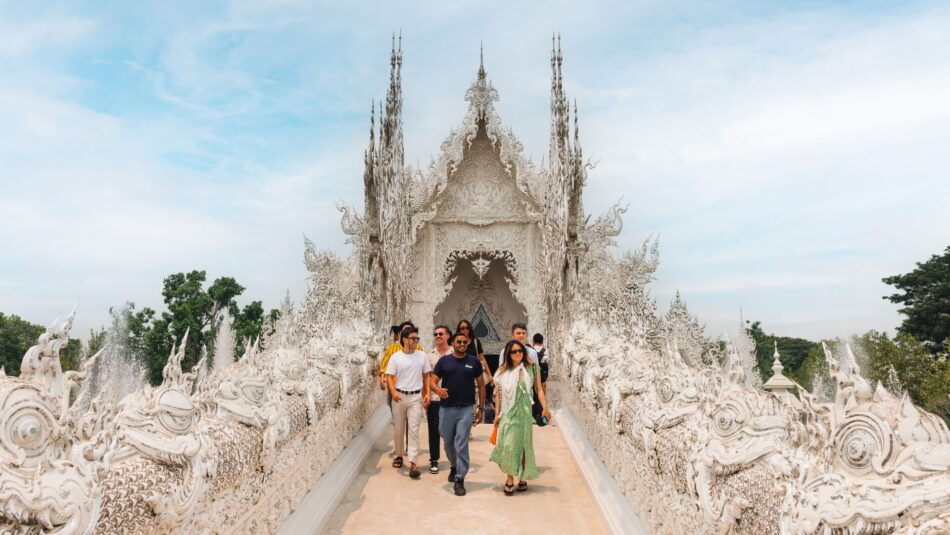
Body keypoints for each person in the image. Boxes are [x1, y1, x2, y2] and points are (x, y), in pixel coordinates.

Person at [490, 339, 552, 496]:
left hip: (525, 412)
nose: (517, 354)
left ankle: (523, 478)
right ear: (508, 354)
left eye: (520, 351)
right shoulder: (502, 371)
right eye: (514, 351)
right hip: (508, 413)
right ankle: (510, 477)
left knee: (524, 446)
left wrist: (545, 407)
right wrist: (496, 414)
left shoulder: (532, 368)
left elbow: (538, 389)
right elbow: (498, 394)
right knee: (509, 446)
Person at [430, 332, 485, 496]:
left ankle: (460, 478)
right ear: (452, 343)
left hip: (466, 408)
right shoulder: (444, 361)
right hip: (446, 408)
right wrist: (438, 390)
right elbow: (432, 381)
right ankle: (454, 466)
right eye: (459, 341)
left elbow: (482, 385)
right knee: (447, 442)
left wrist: (481, 408)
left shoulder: (473, 362)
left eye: (465, 342)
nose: (462, 344)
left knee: (461, 442)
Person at [385, 327, 431, 479]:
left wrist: (427, 393)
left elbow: (427, 376)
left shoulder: (422, 356)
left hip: (415, 397)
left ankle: (413, 462)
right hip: (399, 396)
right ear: (405, 340)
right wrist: (393, 393)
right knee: (399, 429)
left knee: (413, 429)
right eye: (413, 338)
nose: (416, 341)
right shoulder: (396, 357)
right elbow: (390, 377)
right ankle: (399, 454)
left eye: (417, 339)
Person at [425, 325, 452, 474]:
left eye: (441, 333)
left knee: (452, 432)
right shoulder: (429, 356)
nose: (438, 336)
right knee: (433, 431)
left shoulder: (455, 353)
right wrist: (427, 394)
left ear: (448, 335)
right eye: (435, 334)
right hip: (435, 399)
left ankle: (454, 461)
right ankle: (434, 460)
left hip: (452, 399)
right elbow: (427, 378)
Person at [455, 320, 493, 387]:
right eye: (462, 328)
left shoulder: (475, 341)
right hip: (460, 375)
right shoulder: (455, 342)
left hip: (475, 375)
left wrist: (489, 375)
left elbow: (482, 359)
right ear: (459, 330)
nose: (465, 330)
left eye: (467, 328)